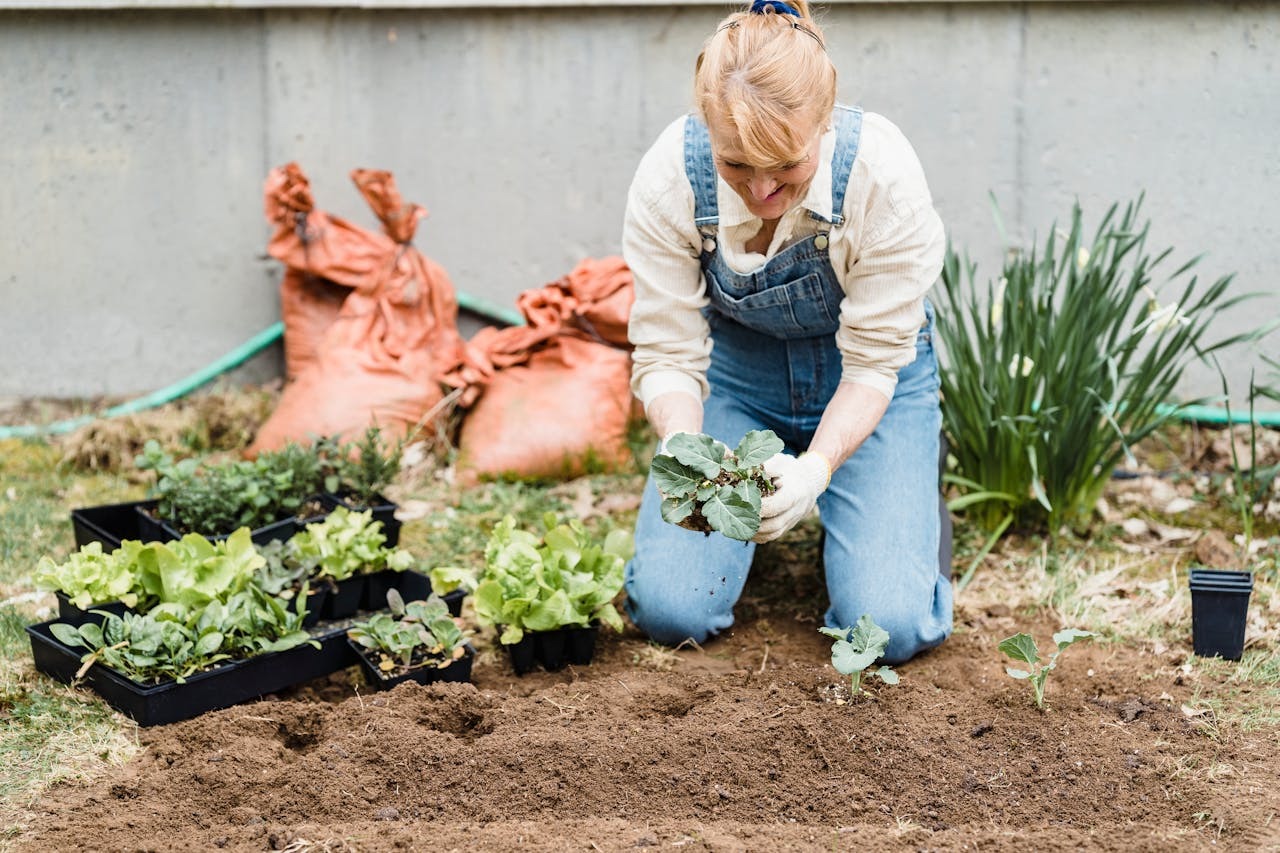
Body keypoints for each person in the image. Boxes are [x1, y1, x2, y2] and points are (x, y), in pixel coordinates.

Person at [621, 0, 951, 664]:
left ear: (823, 125)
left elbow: (873, 366)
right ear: (709, 128)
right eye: (737, 164)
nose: (762, 188)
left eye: (786, 166)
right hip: (737, 378)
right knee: (668, 609)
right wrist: (690, 452)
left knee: (886, 625)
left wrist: (815, 471)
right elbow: (669, 351)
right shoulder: (670, 180)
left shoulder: (880, 176)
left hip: (864, 380)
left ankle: (903, 503)